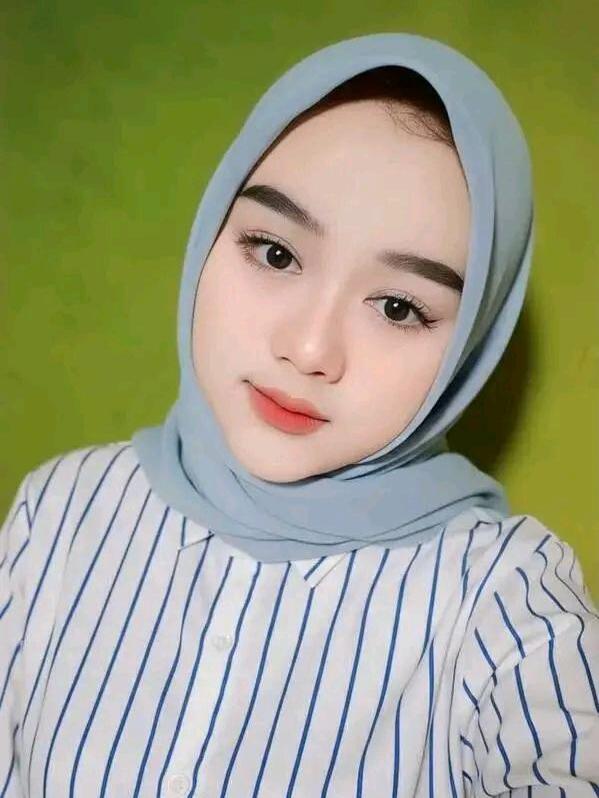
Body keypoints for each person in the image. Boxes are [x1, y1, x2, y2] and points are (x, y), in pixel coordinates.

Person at [1, 32, 597, 798]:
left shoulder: (503, 595)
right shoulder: (62, 513)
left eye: (397, 307)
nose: (310, 348)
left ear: (469, 345)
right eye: (275, 253)